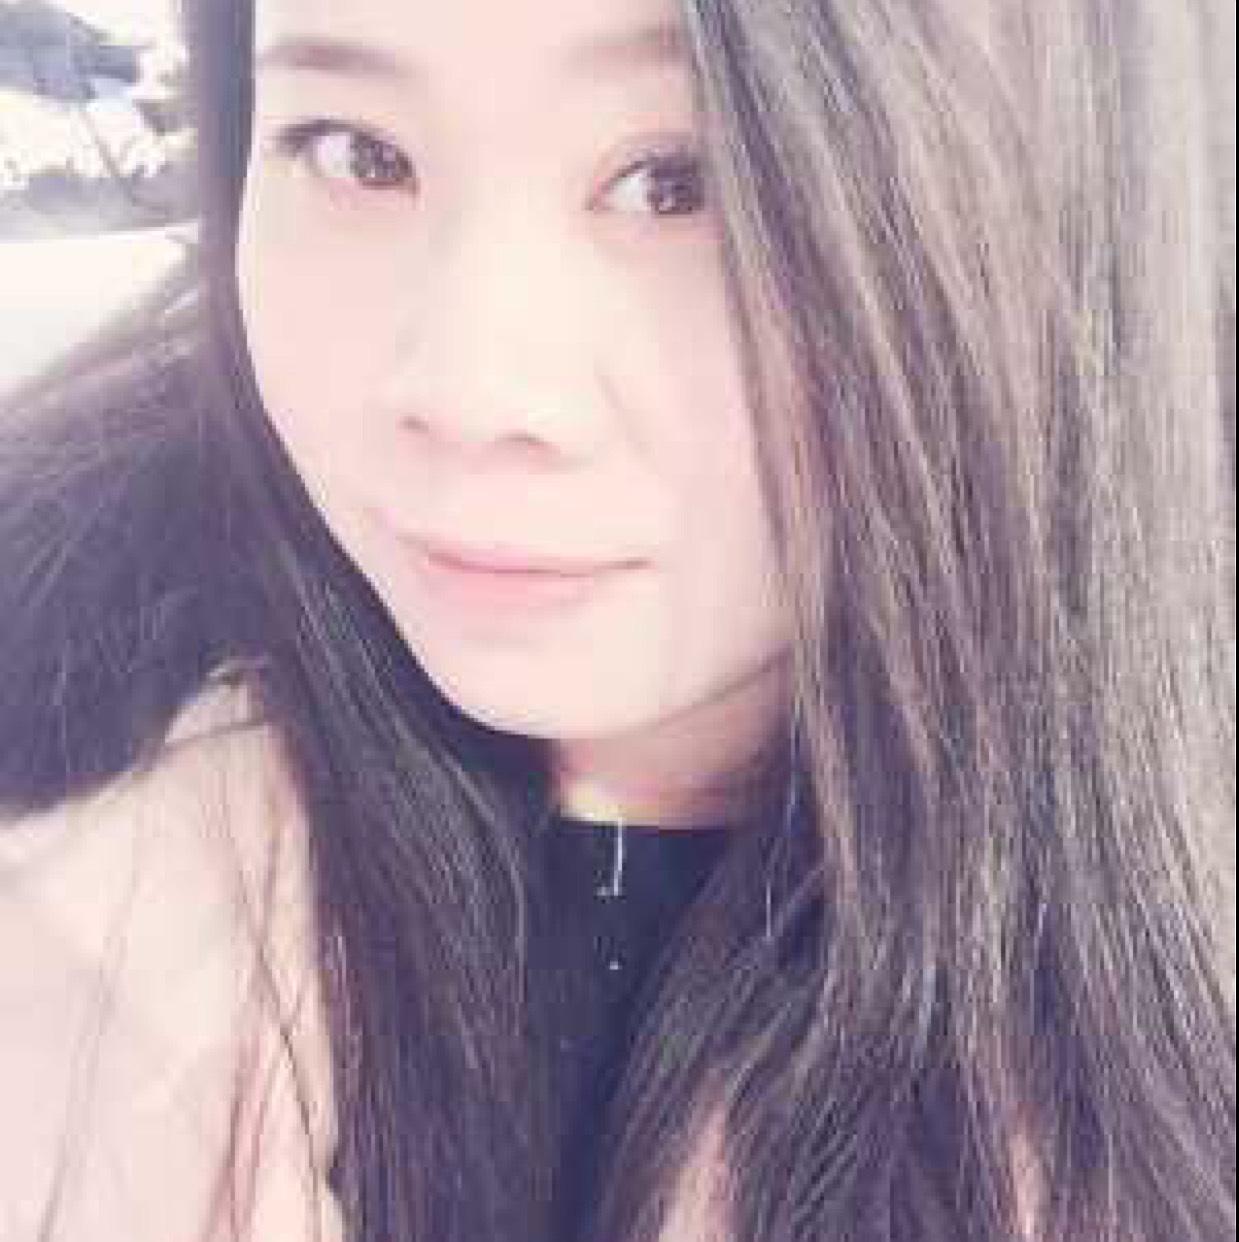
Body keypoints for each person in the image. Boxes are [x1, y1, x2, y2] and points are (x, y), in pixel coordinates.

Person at [0, 0, 1234, 1239]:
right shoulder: (84, 857)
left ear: (1083, 174)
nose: (472, 392)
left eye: (682, 182)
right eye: (357, 152)